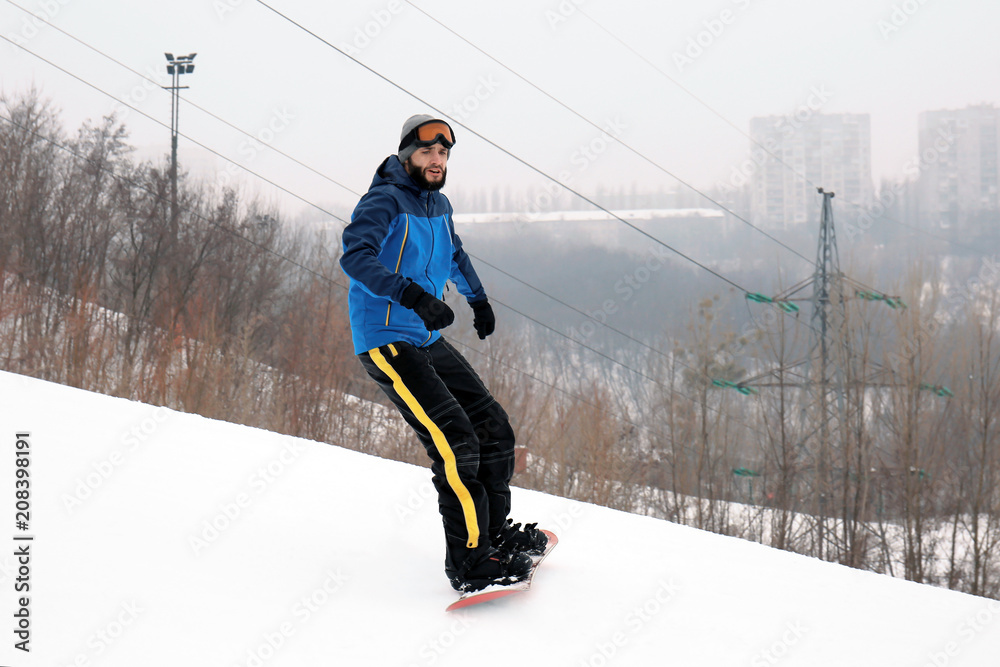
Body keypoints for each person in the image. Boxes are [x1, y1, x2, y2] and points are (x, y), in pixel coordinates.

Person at [340, 114, 547, 592]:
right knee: (456, 443)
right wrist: (412, 295)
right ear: (407, 153)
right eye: (429, 152)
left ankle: (493, 537)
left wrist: (478, 299)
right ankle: (470, 563)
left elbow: (454, 254)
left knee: (493, 426)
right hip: (386, 338)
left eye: (445, 153)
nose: (437, 161)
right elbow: (355, 256)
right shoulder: (384, 200)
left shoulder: (439, 204)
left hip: (425, 336)